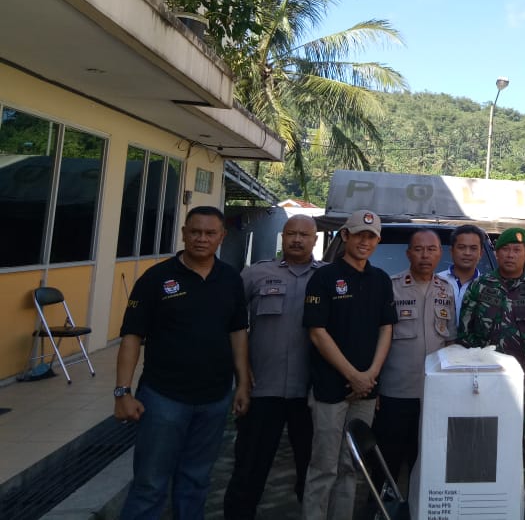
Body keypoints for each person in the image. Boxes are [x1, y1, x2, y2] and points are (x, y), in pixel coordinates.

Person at [115, 205, 250, 519]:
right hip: (164, 398)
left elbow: (238, 332)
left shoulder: (230, 279)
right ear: (184, 234)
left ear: (221, 237)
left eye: (210, 233)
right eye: (195, 232)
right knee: (150, 484)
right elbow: (132, 337)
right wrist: (122, 392)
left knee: (196, 481)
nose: (201, 239)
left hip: (214, 400)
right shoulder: (156, 279)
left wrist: (242, 383)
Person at [223, 215, 323, 519]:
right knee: (250, 466)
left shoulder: (328, 278)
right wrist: (240, 372)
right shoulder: (254, 274)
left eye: (304, 235)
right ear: (282, 237)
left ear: (315, 240)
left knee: (312, 468)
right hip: (262, 388)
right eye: (291, 233)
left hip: (310, 393)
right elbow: (232, 325)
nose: (297, 240)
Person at [302, 210, 396, 520]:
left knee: (351, 465)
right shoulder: (324, 277)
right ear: (345, 236)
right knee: (323, 466)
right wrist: (353, 375)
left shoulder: (381, 280)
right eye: (359, 235)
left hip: (366, 390)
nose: (364, 242)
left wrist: (370, 375)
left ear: (378, 241)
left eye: (371, 237)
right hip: (331, 388)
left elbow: (387, 329)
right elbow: (317, 333)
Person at [458, 227, 525, 475]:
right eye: (505, 249)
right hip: (484, 386)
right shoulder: (480, 287)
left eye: (517, 250)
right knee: (484, 448)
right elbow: (464, 335)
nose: (510, 255)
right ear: (497, 253)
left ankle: (523, 504)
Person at [373, 228, 457, 489]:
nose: (425, 255)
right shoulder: (391, 286)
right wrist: (374, 386)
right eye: (418, 249)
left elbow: (451, 342)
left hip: (434, 396)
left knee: (425, 464)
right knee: (386, 464)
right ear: (408, 253)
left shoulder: (446, 291)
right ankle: (380, 509)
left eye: (431, 249)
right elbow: (377, 339)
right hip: (395, 393)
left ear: (440, 254)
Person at [437, 223, 484, 320]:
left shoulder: (488, 286)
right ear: (451, 251)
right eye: (461, 247)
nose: (467, 253)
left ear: (481, 253)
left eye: (473, 248)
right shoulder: (436, 281)